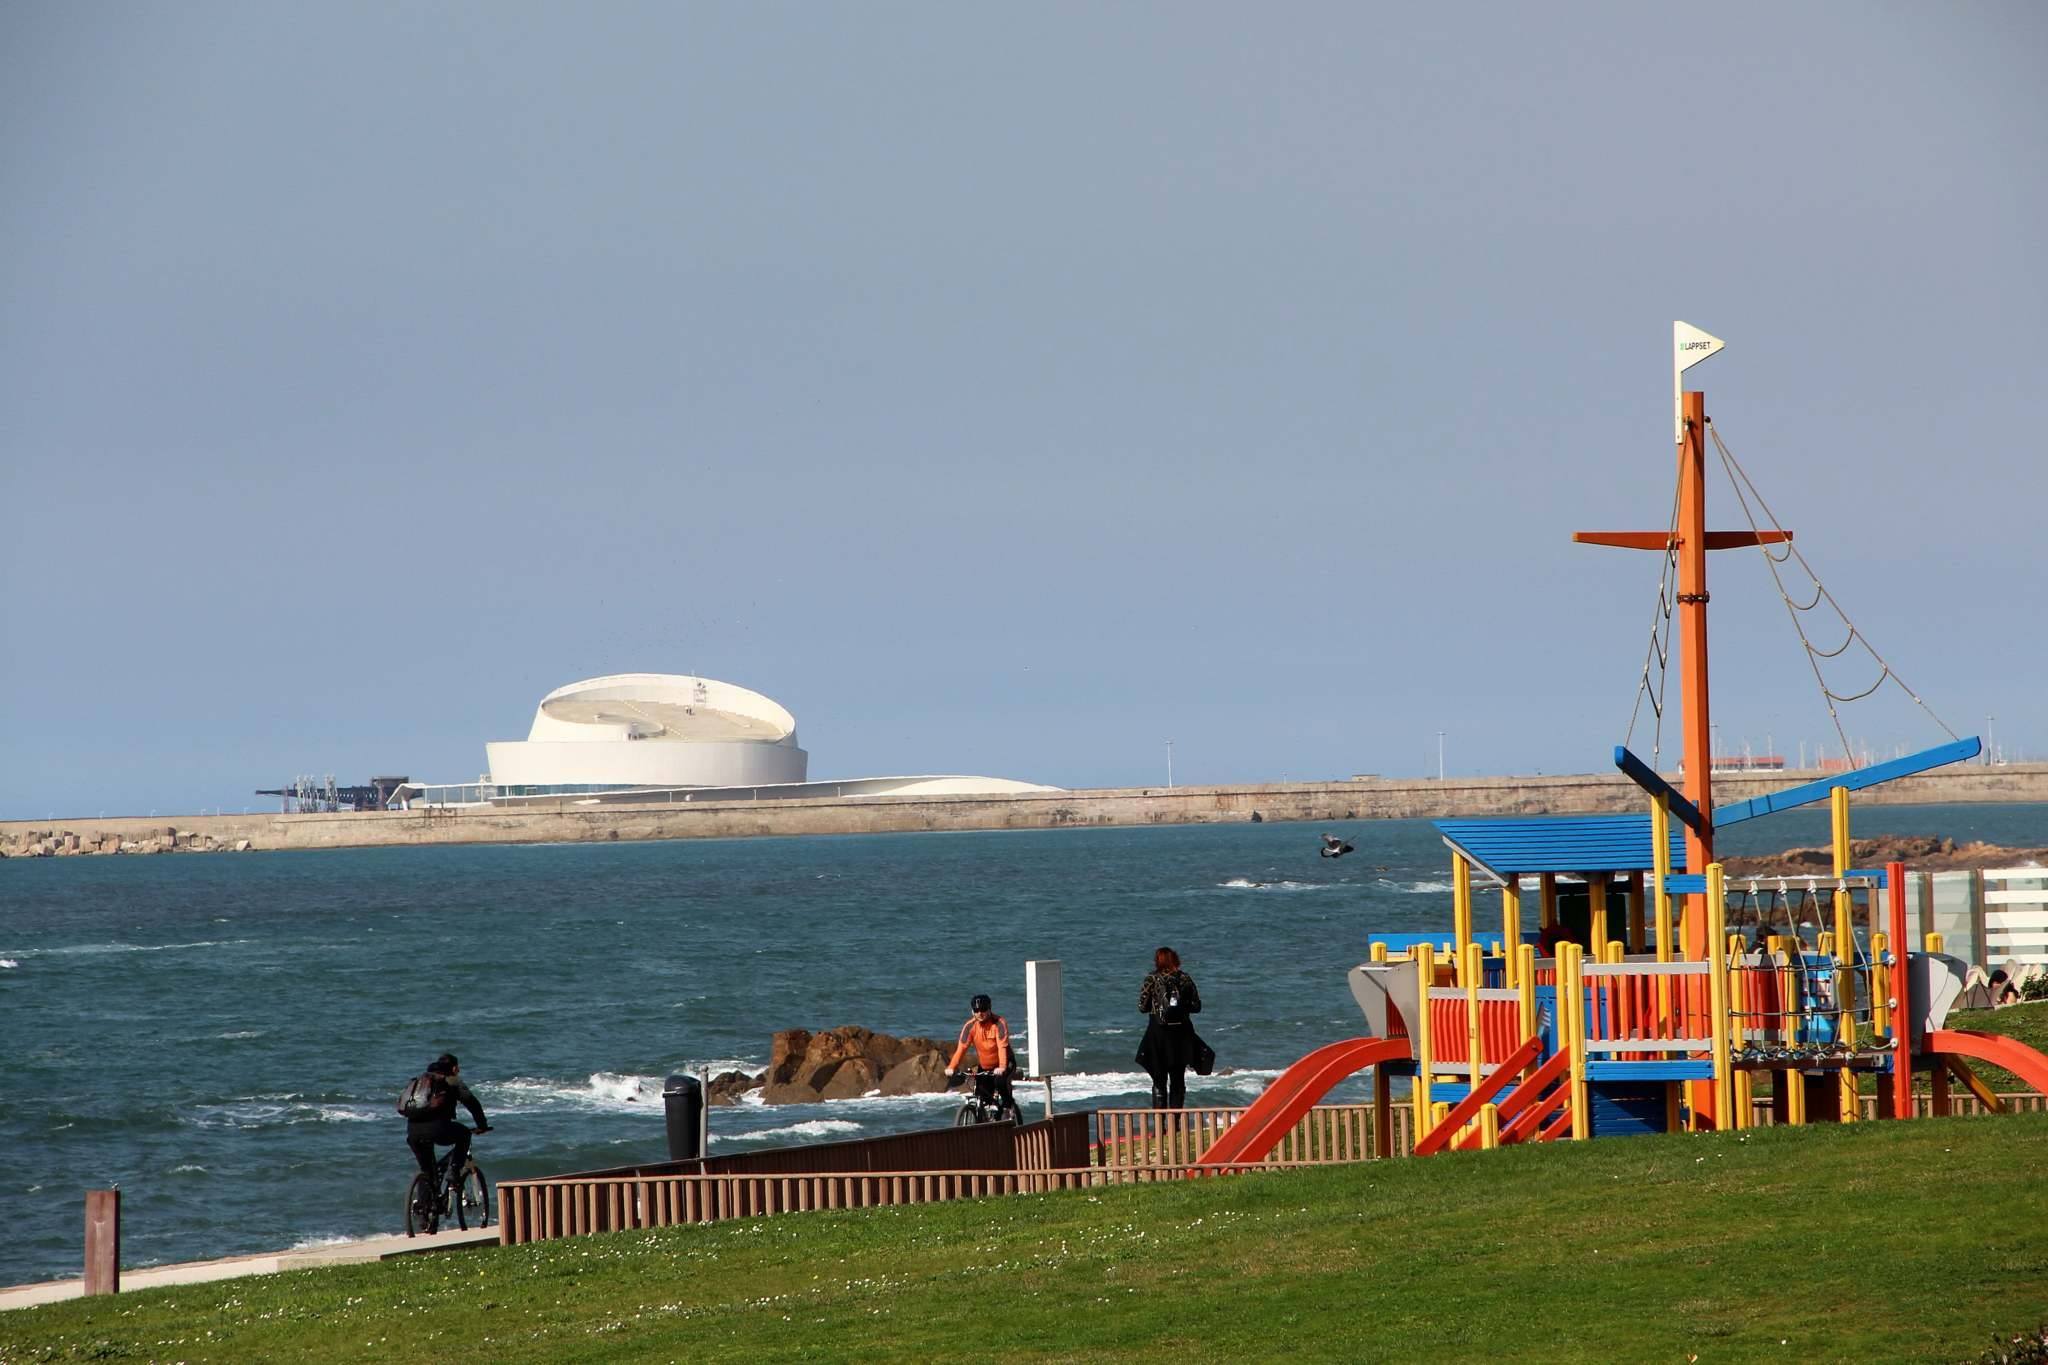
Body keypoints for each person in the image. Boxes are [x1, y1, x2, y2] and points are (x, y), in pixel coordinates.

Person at [403, 1053, 489, 1208]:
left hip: (412, 1131)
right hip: (437, 1128)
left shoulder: (421, 1080)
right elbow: (471, 1102)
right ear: (455, 1068)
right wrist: (482, 1125)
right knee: (464, 1134)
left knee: (427, 1170)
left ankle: (425, 1210)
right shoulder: (452, 1081)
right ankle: (454, 1172)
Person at [1136, 946, 1201, 1109]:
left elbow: (1142, 1007)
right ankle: (1175, 1123)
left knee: (1159, 1080)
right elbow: (1197, 1006)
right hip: (1180, 1034)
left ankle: (1160, 1124)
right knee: (1178, 1079)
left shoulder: (1151, 979)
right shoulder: (1185, 978)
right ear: (1175, 959)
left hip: (1158, 1033)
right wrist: (1181, 1008)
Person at [944, 995, 1016, 1117]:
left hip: (1004, 1063)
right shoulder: (970, 1026)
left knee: (1000, 1082)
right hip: (985, 1066)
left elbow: (1002, 1047)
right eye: (976, 1011)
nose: (980, 1013)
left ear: (989, 1009)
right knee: (981, 1096)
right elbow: (961, 1048)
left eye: (983, 1009)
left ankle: (1008, 1107)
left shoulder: (999, 1023)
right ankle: (984, 1123)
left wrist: (1002, 1067)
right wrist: (952, 1067)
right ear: (972, 1011)